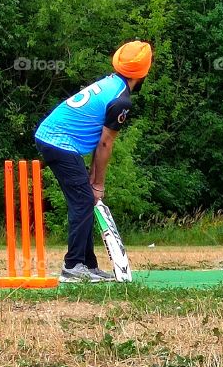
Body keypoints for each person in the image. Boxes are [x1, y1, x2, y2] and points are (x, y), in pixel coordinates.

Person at [34, 41, 152, 283]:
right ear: (144, 73)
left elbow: (100, 142)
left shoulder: (111, 82)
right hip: (58, 141)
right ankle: (73, 266)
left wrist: (92, 179)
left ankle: (87, 264)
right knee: (85, 199)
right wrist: (98, 183)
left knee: (84, 201)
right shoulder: (121, 100)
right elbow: (105, 144)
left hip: (55, 138)